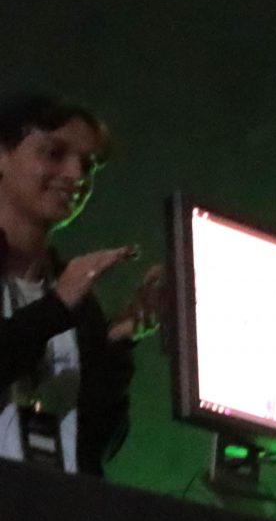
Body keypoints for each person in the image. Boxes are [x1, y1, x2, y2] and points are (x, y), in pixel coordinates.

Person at [0, 91, 162, 476]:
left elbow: (96, 446)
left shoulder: (77, 297)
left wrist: (117, 346)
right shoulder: (67, 295)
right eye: (53, 153)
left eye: (88, 165)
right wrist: (55, 307)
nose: (76, 176)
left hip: (52, 507)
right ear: (3, 155)